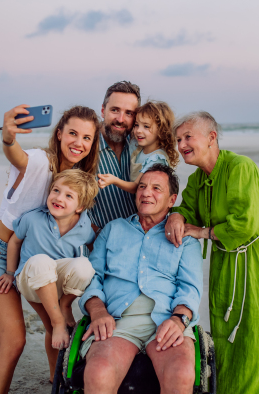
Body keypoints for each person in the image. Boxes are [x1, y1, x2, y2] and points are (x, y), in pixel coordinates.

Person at [165, 112, 259, 394]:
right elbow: (187, 209)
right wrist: (176, 217)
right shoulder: (199, 178)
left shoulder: (240, 167)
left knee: (256, 337)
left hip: (258, 259)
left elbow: (243, 225)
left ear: (212, 138)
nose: (181, 144)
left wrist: (202, 232)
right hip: (225, 259)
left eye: (188, 137)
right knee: (226, 336)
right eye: (178, 140)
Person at [0, 105, 100, 393]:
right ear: (58, 134)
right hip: (1, 256)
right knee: (14, 342)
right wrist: (8, 138)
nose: (78, 142)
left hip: (39, 258)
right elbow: (18, 157)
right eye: (72, 133)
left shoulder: (75, 179)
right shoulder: (41, 161)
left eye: (86, 137)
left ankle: (54, 381)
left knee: (57, 326)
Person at [79, 164, 203, 394]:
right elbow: (91, 276)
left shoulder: (186, 240)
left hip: (167, 320)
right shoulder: (112, 230)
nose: (146, 193)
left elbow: (190, 288)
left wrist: (179, 320)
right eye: (142, 187)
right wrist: (97, 310)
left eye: (157, 188)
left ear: (171, 199)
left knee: (181, 373)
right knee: (99, 372)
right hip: (118, 321)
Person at [7, 169, 98, 354]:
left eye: (68, 195)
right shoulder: (33, 218)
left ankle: (65, 305)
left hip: (58, 284)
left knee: (85, 265)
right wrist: (9, 273)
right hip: (31, 279)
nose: (58, 198)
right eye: (56, 190)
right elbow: (14, 242)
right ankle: (58, 322)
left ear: (80, 207)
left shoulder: (84, 226)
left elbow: (94, 246)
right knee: (42, 261)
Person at [88, 81, 142, 231]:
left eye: (129, 113)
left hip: (136, 245)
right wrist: (96, 238)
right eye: (115, 110)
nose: (120, 119)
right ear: (102, 110)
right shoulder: (84, 148)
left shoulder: (141, 148)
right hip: (97, 246)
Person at [97, 100, 179, 193]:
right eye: (136, 125)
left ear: (161, 131)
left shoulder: (156, 159)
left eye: (146, 126)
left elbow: (136, 187)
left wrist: (114, 180)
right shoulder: (139, 147)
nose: (139, 130)